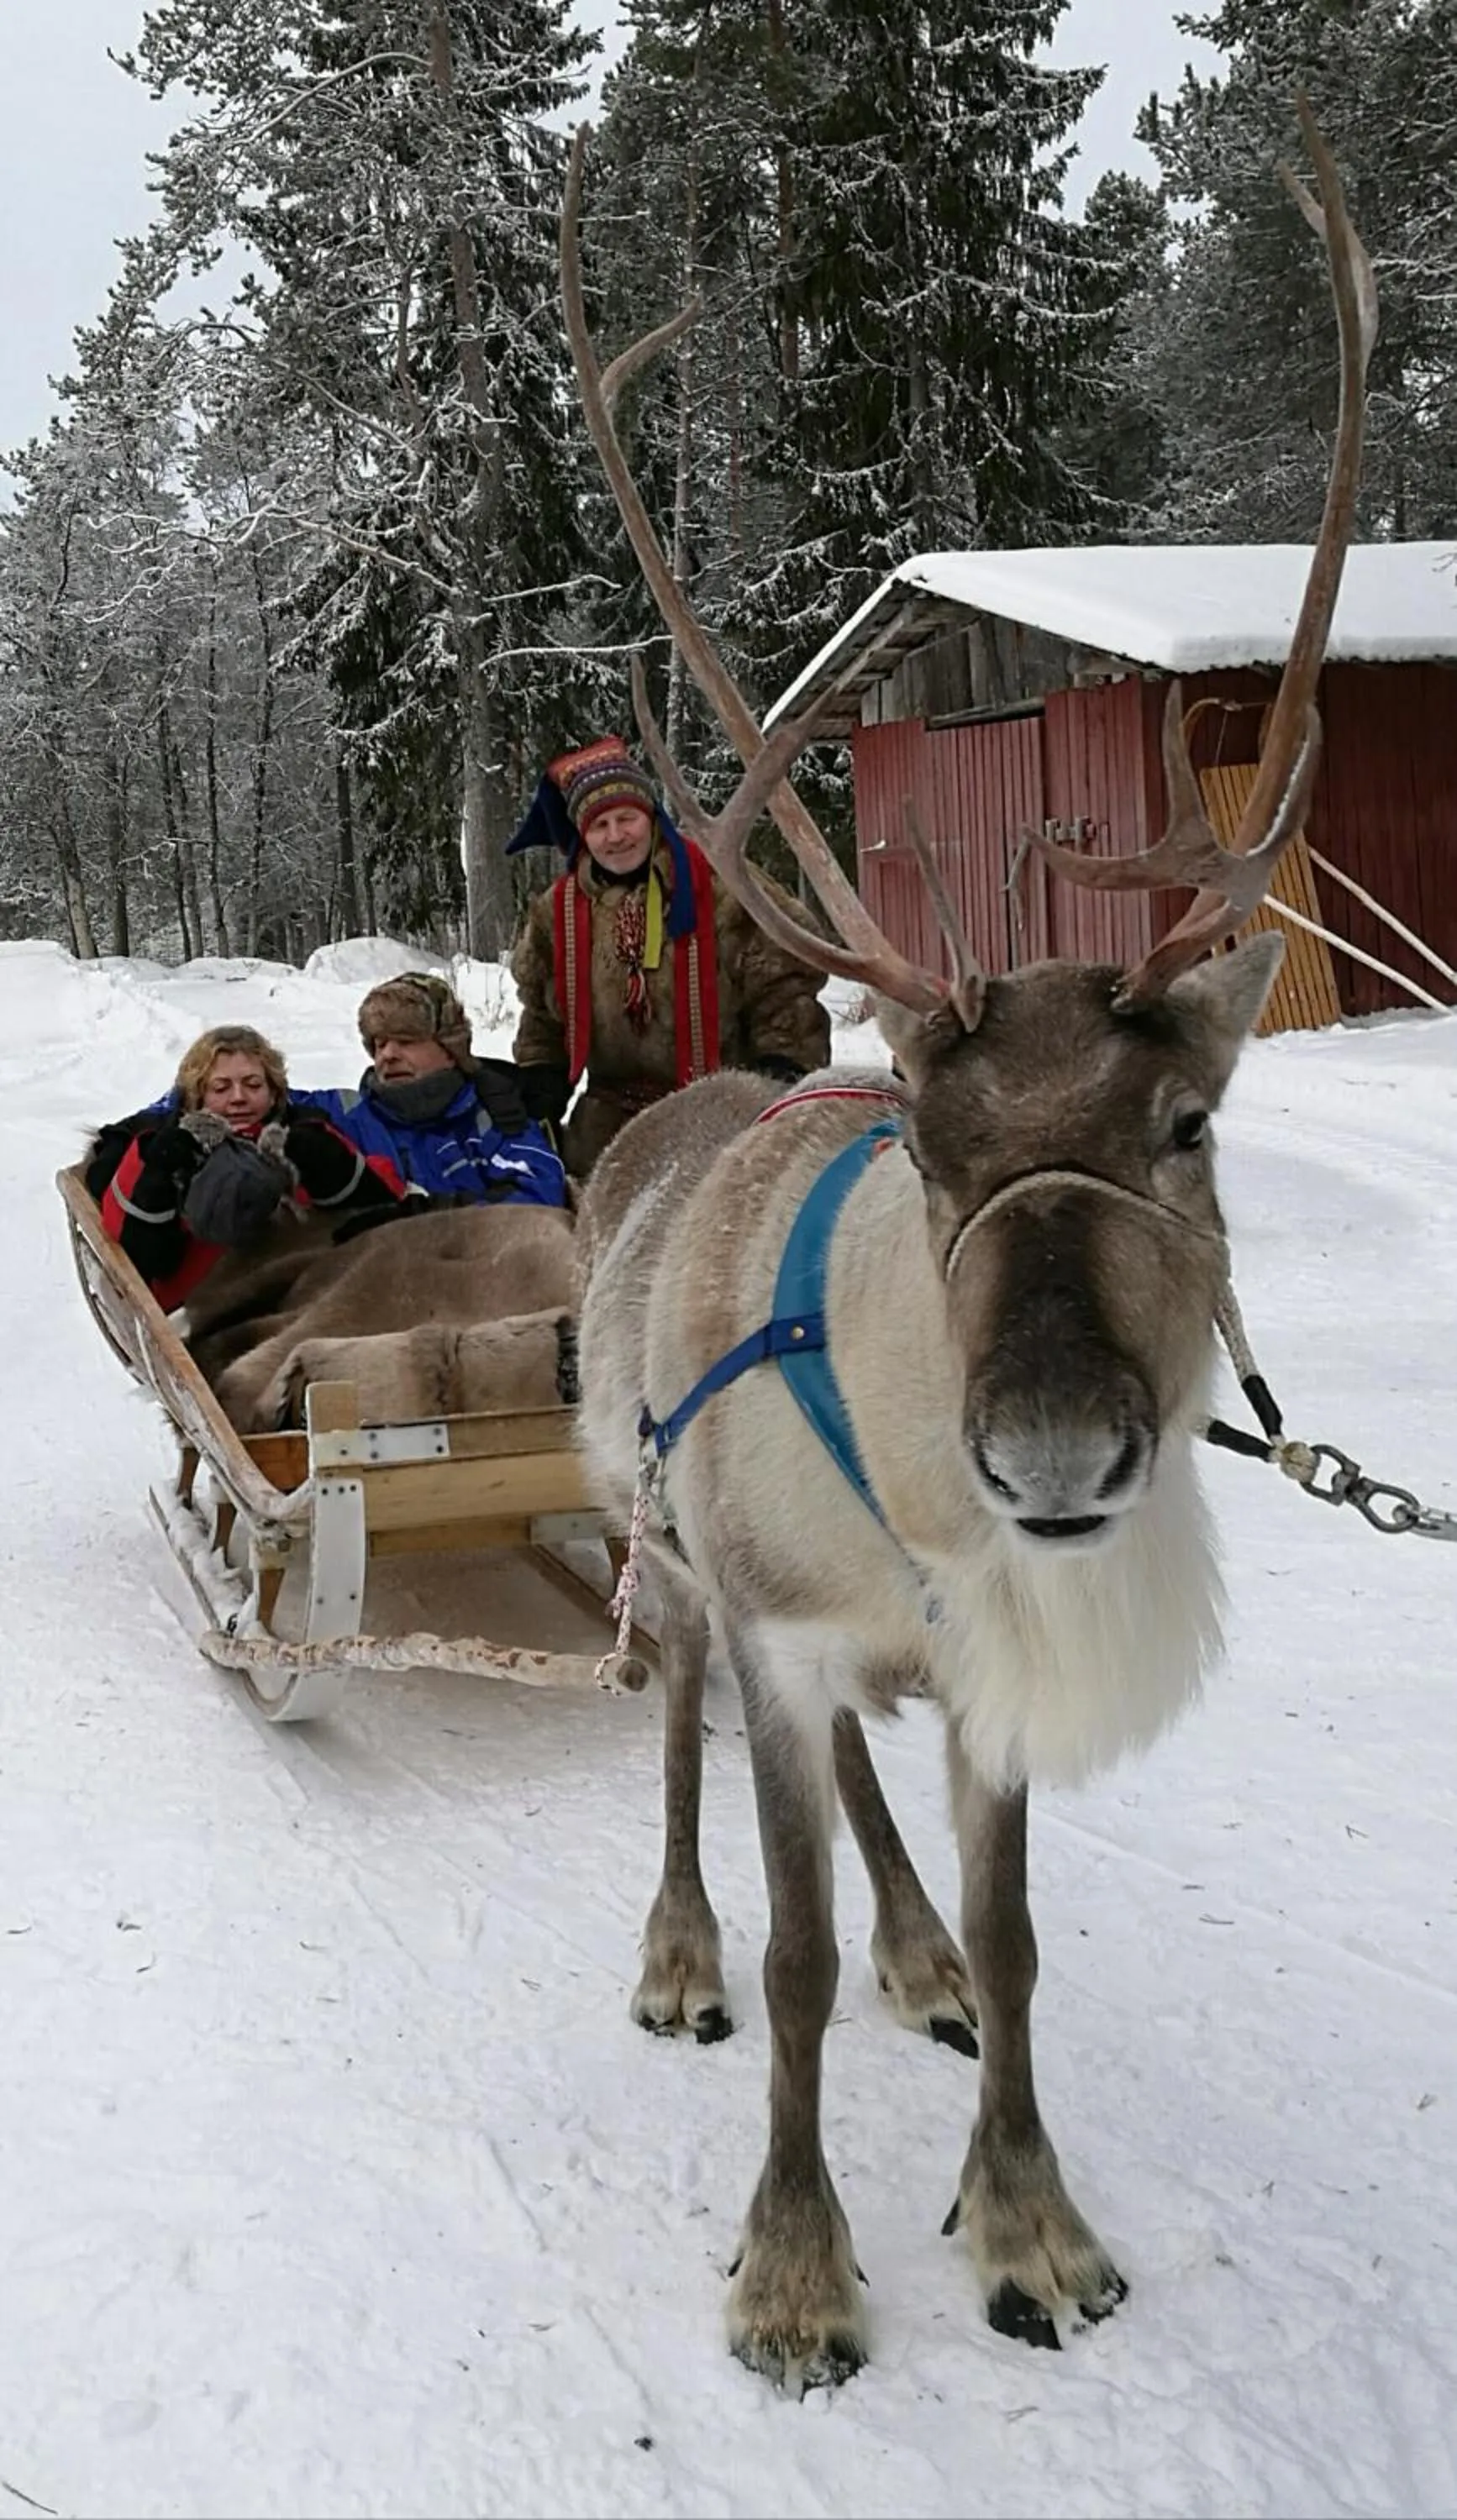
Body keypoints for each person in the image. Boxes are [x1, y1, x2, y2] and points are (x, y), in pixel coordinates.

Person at [506, 736, 832, 1177]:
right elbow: (544, 1021)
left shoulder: (720, 887)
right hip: (609, 1127)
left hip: (724, 1118)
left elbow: (784, 993)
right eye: (600, 825)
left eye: (627, 818)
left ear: (652, 816)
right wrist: (540, 1089)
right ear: (582, 834)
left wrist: (779, 1079)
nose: (616, 836)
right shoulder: (558, 912)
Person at [86, 1025, 403, 1309]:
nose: (239, 1098)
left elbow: (383, 1206)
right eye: (221, 1088)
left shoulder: (305, 1133)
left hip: (310, 1294)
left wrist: (329, 1165)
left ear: (274, 1091)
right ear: (197, 1096)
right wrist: (158, 1174)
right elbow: (133, 1253)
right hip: (202, 1311)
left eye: (253, 1085)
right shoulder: (164, 1147)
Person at [291, 970, 567, 1210]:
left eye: (405, 1041)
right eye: (379, 1043)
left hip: (475, 1264)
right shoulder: (346, 1114)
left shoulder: (493, 1116)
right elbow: (262, 1101)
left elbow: (539, 1193)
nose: (388, 1055)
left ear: (450, 1051)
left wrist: (434, 1213)